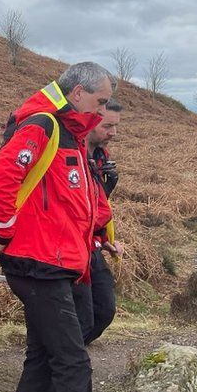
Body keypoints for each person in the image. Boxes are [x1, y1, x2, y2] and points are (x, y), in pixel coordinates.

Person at [0, 62, 115, 392]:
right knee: (72, 364)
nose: (103, 110)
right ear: (77, 94)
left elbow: (79, 198)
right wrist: (5, 231)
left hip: (61, 261)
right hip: (36, 264)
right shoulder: (44, 126)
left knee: (45, 352)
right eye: (100, 101)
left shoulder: (71, 136)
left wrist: (99, 233)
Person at [73, 100, 123, 345]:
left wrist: (106, 240)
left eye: (115, 127)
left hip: (92, 243)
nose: (113, 133)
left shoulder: (101, 156)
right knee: (80, 317)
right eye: (108, 126)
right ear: (91, 121)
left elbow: (97, 206)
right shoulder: (71, 153)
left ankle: (71, 353)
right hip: (71, 245)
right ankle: (64, 361)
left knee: (103, 310)